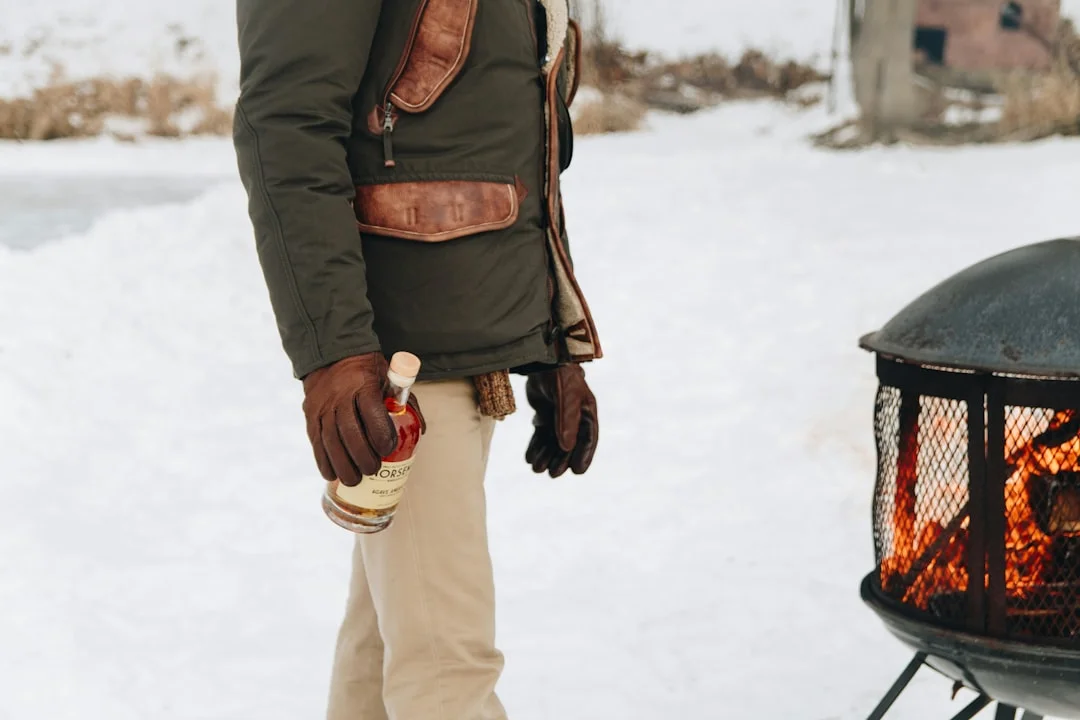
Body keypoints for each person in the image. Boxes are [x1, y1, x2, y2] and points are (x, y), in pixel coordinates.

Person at [232, 0, 603, 717]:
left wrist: (554, 342)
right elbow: (284, 127)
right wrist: (335, 350)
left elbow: (518, 145)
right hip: (398, 365)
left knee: (391, 648)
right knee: (448, 671)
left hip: (466, 335)